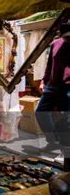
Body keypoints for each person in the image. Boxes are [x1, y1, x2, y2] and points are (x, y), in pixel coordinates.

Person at [36, 21, 70, 164]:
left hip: (68, 87)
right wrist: (44, 80)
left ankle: (66, 151)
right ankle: (53, 141)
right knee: (40, 112)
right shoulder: (55, 43)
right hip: (52, 86)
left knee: (64, 120)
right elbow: (50, 65)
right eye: (66, 37)